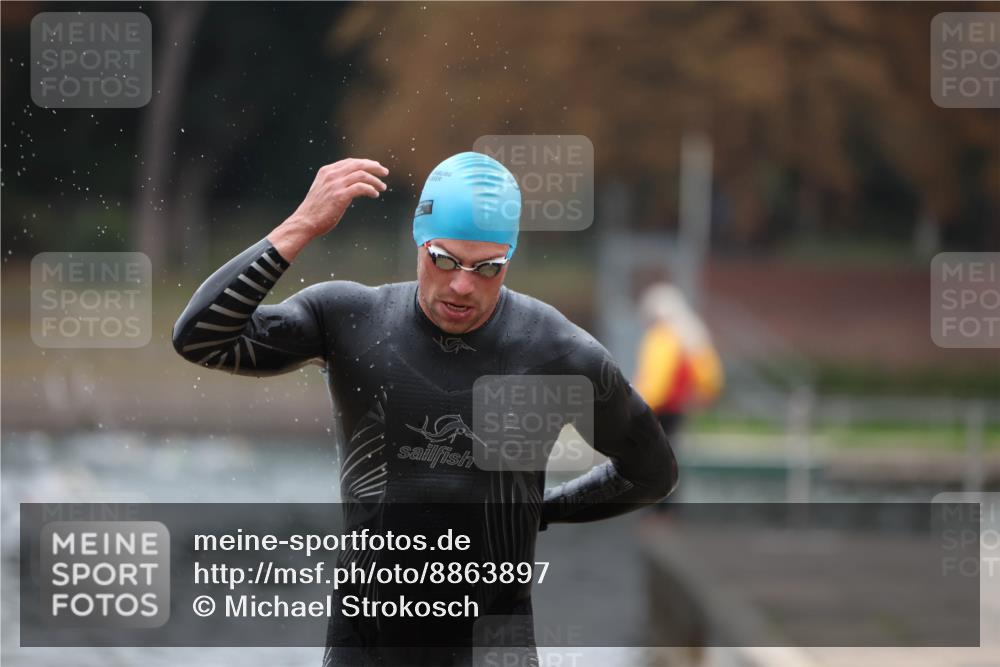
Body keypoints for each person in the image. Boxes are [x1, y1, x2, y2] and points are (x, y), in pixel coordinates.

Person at [172, 152, 678, 666]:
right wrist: (301, 226)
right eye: (445, 259)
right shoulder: (350, 321)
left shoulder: (556, 352)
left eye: (487, 268)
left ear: (509, 258)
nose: (463, 284)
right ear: (420, 242)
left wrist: (542, 510)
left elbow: (652, 473)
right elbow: (200, 339)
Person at [632, 282, 724, 441]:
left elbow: (658, 380)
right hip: (678, 408)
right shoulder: (691, 334)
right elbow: (709, 376)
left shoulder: (662, 338)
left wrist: (638, 406)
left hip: (660, 409)